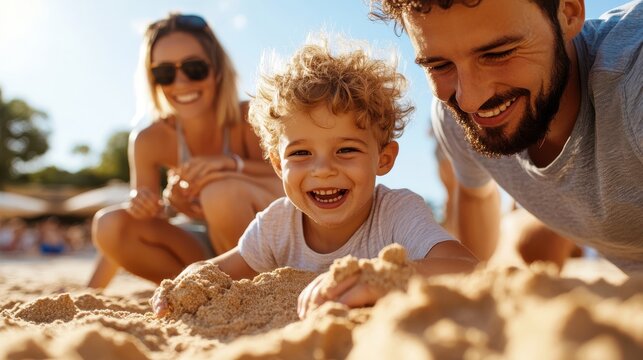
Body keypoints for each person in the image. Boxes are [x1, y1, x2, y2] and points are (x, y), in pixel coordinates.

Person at [151, 38, 478, 318]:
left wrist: (382, 276)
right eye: (301, 154)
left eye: (346, 150)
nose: (323, 169)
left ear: (384, 158)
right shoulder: (277, 225)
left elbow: (467, 267)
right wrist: (184, 285)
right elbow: (217, 270)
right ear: (278, 165)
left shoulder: (397, 213)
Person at [370, 0, 643, 272]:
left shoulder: (633, 76)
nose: (469, 100)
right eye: (439, 66)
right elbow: (476, 197)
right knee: (531, 243)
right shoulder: (457, 118)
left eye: (498, 54)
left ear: (568, 13)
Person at [88, 13, 283, 288]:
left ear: (216, 69)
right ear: (153, 79)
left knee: (220, 192)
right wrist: (170, 205)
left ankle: (251, 288)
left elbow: (290, 183)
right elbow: (150, 220)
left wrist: (231, 165)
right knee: (110, 223)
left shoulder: (250, 116)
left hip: (267, 244)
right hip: (200, 249)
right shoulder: (148, 139)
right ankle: (203, 289)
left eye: (194, 68)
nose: (180, 83)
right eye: (164, 72)